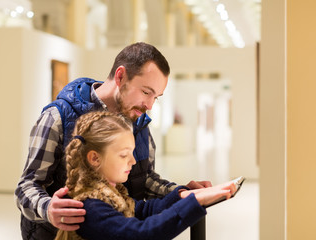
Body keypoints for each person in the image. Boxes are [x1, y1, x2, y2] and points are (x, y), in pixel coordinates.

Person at [15, 42, 212, 240]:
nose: (150, 105)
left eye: (156, 97)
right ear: (120, 76)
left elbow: (145, 178)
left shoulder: (139, 123)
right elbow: (27, 186)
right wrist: (48, 208)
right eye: (145, 92)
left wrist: (181, 193)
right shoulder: (57, 117)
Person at [54, 111, 237, 240]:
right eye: (124, 155)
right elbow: (140, 234)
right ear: (95, 158)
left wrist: (184, 195)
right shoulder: (90, 207)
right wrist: (194, 203)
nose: (133, 161)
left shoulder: (113, 193)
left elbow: (143, 210)